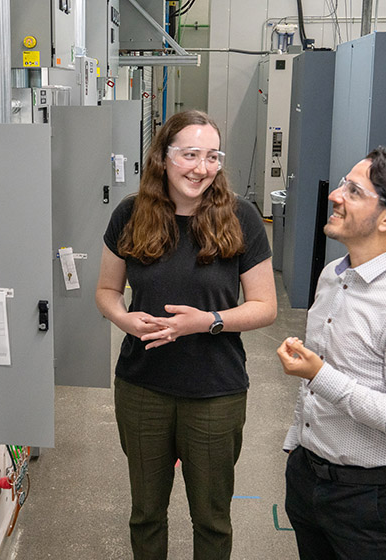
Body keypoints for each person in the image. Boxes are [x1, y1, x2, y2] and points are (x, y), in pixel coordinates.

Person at [96, 110, 277, 560]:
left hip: (215, 391)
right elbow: (105, 291)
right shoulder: (129, 215)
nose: (201, 167)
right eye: (189, 154)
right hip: (142, 387)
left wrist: (207, 321)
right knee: (146, 513)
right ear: (163, 157)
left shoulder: (242, 217)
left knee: (212, 520)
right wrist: (124, 320)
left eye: (212, 156)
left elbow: (265, 307)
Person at [277, 146, 386, 559]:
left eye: (353, 191)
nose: (336, 196)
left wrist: (321, 375)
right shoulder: (333, 277)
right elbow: (319, 384)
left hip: (371, 501)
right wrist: (297, 444)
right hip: (308, 478)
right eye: (342, 184)